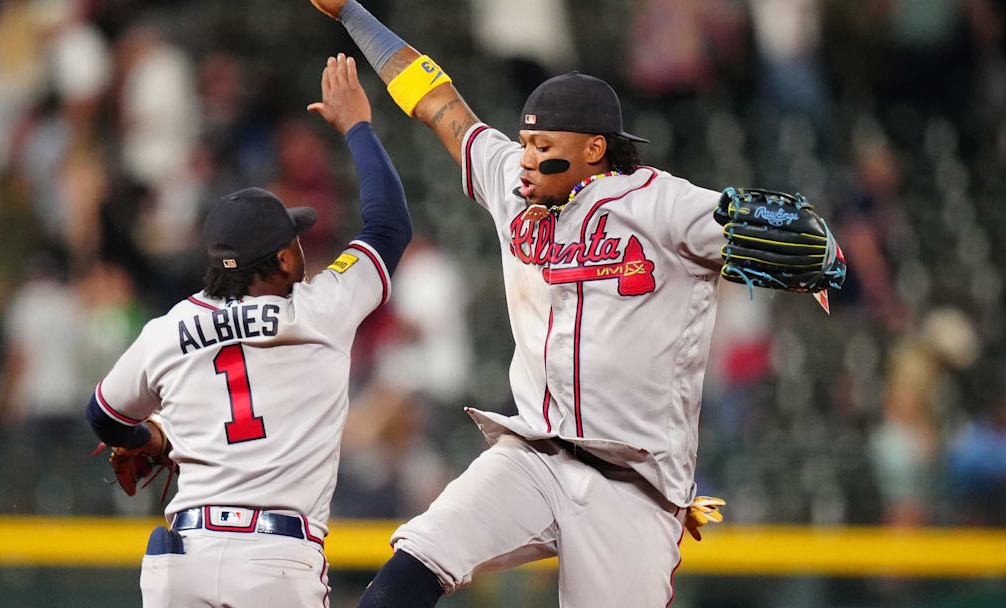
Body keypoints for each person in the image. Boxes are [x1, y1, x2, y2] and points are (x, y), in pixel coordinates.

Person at [309, 2, 841, 607]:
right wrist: (353, 13)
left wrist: (812, 245)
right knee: (415, 562)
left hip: (634, 487)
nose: (527, 157)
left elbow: (800, 241)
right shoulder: (513, 184)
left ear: (594, 149)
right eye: (526, 141)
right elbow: (437, 102)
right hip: (532, 455)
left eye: (543, 144)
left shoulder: (663, 205)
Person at [85, 54, 411, 608]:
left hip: (181, 556)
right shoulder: (322, 307)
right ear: (283, 261)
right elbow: (388, 225)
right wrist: (357, 124)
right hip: (275, 562)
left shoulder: (169, 328)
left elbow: (105, 416)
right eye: (296, 242)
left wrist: (152, 440)